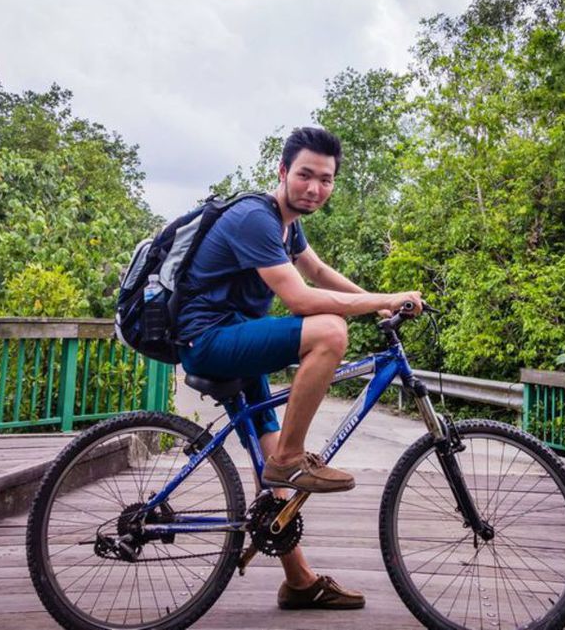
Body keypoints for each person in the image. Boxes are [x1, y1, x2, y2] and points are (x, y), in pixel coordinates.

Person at [175, 126, 422, 611]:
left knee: (274, 491)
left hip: (237, 341)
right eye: (305, 175)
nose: (314, 188)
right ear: (283, 171)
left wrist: (377, 304)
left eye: (325, 180)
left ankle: (301, 583)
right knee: (329, 332)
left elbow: (319, 273)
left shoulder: (289, 226)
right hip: (210, 340)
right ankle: (290, 455)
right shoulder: (254, 218)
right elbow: (301, 298)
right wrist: (381, 300)